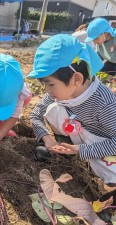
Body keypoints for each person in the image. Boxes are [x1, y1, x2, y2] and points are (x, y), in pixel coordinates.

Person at [28, 34, 116, 186]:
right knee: (53, 109)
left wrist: (82, 150)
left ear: (77, 79)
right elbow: (36, 114)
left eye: (50, 84)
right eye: (44, 85)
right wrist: (47, 139)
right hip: (79, 133)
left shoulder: (104, 103)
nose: (47, 90)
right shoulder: (60, 93)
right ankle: (65, 149)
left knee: (111, 174)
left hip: (104, 145)